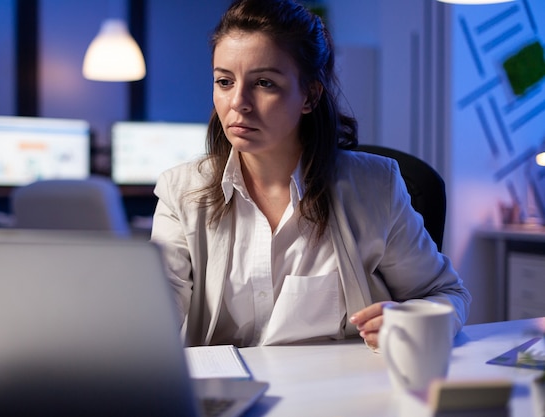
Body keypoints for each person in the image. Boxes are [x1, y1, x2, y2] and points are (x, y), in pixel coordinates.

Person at [151, 0, 471, 349]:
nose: (238, 102)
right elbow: (152, 317)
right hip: (227, 396)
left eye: (264, 83)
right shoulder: (181, 190)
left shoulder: (375, 187)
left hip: (340, 396)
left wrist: (417, 320)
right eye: (224, 81)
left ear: (310, 94)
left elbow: (446, 294)